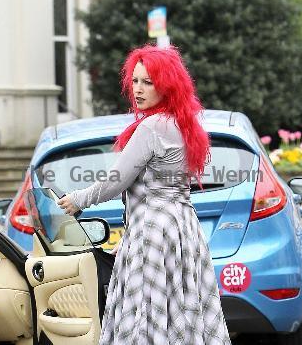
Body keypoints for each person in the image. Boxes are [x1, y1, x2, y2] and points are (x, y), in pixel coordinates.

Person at [58, 44, 231, 345]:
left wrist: (78, 199)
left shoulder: (152, 127)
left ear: (167, 85)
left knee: (146, 317)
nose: (138, 89)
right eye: (135, 80)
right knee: (181, 309)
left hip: (153, 231)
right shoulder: (183, 123)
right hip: (182, 228)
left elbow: (115, 181)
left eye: (148, 82)